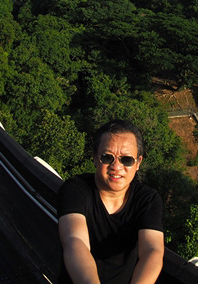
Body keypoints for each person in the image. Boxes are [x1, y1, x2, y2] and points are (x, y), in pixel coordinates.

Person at [57, 119, 164, 284]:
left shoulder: (147, 199)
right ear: (94, 158)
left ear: (138, 163)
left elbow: (152, 250)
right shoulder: (76, 190)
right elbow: (75, 241)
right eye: (107, 157)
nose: (116, 166)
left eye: (126, 160)